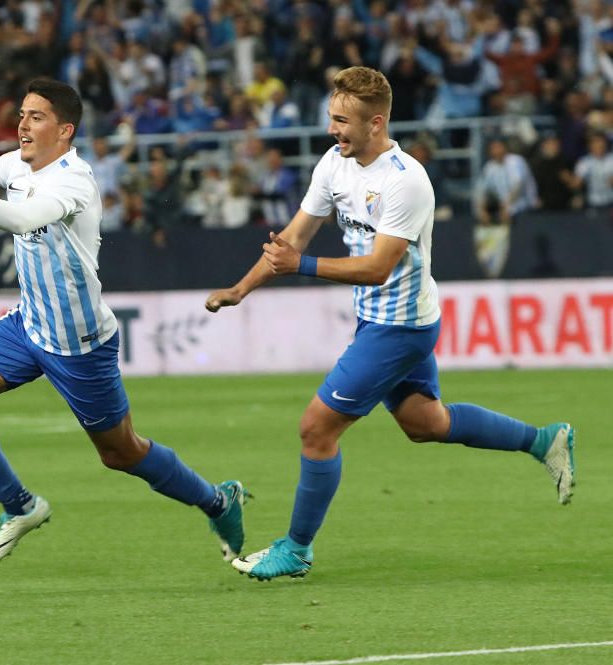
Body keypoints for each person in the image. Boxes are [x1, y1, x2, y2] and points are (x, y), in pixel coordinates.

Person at [204, 67, 575, 582]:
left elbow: (377, 269)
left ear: (376, 123)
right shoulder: (334, 165)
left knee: (316, 428)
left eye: (342, 121)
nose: (333, 130)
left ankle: (297, 547)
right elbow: (293, 239)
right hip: (382, 320)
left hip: (399, 327)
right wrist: (240, 289)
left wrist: (302, 267)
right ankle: (544, 440)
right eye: (331, 118)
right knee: (428, 424)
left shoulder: (406, 181)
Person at [0, 78, 247, 566]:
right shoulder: (17, 163)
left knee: (121, 453)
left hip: (78, 343)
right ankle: (21, 505)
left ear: (65, 130)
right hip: (28, 325)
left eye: (36, 116)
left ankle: (218, 501)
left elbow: (21, 219)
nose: (23, 124)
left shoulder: (73, 181)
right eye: (21, 114)